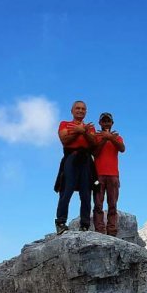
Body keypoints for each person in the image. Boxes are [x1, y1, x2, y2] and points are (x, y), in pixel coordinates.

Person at [54, 100, 97, 235]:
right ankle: (61, 222)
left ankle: (85, 225)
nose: (80, 110)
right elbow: (64, 140)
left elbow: (94, 143)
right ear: (72, 111)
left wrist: (84, 132)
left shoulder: (90, 128)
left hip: (86, 160)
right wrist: (78, 131)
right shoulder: (65, 124)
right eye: (77, 108)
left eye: (83, 109)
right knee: (66, 190)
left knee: (86, 193)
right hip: (71, 158)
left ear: (86, 112)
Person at [92, 112, 125, 236]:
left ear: (112, 123)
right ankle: (99, 230)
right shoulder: (96, 136)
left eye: (108, 121)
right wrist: (105, 139)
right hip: (98, 175)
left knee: (113, 204)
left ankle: (112, 231)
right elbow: (95, 152)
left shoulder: (117, 137)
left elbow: (122, 148)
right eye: (104, 121)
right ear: (100, 123)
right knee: (98, 204)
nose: (106, 123)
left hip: (113, 175)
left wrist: (111, 138)